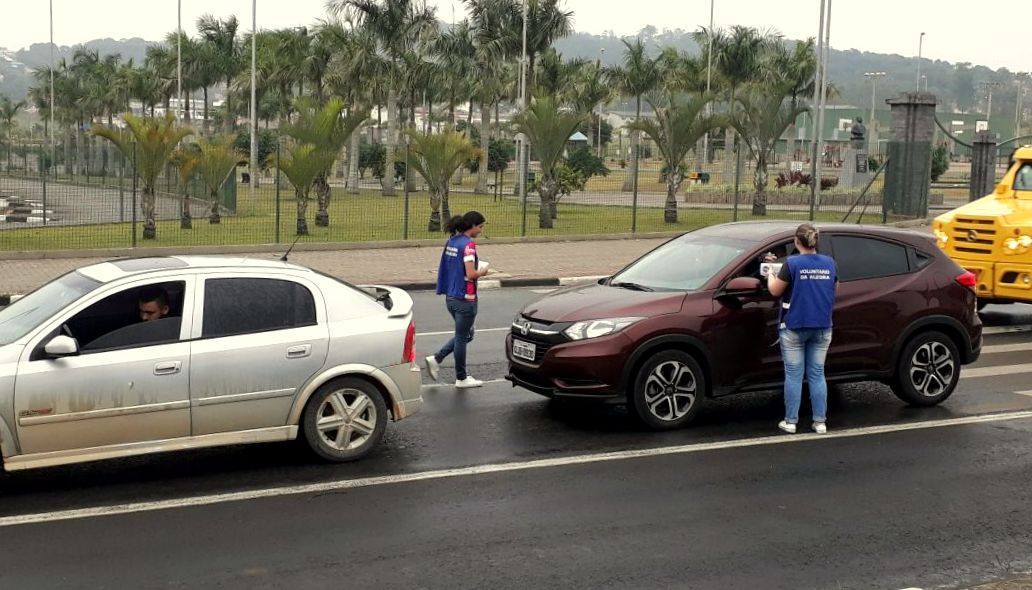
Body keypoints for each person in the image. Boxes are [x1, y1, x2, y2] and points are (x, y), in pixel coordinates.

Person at [766, 224, 837, 435]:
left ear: (797, 242)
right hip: (823, 326)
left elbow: (774, 290)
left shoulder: (792, 263)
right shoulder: (830, 263)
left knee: (794, 375)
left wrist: (770, 273)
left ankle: (791, 421)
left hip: (794, 327)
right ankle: (820, 422)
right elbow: (835, 288)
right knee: (817, 373)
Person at [425, 211, 490, 389]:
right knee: (463, 337)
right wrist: (483, 271)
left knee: (466, 334)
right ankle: (461, 377)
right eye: (481, 226)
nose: (481, 230)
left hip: (451, 297)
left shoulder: (452, 241)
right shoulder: (468, 245)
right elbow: (471, 274)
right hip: (465, 298)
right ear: (473, 226)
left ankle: (436, 358)